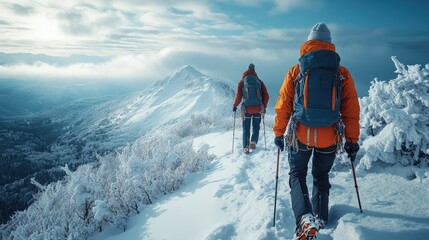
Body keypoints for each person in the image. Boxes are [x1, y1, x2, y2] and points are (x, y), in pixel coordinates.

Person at [273, 23, 360, 239]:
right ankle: (320, 220)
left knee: (297, 175)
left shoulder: (297, 70)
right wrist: (351, 139)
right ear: (330, 44)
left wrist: (278, 133)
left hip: (300, 135)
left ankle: (304, 218)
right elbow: (351, 109)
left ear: (308, 42)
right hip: (329, 137)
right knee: (321, 175)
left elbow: (283, 103)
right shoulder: (341, 73)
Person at [233, 63, 269, 154]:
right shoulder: (259, 82)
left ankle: (246, 147)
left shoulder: (242, 82)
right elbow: (266, 96)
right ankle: (253, 142)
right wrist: (263, 107)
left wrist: (235, 105)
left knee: (246, 128)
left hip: (246, 109)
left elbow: (238, 96)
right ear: (254, 70)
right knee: (256, 126)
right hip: (257, 109)